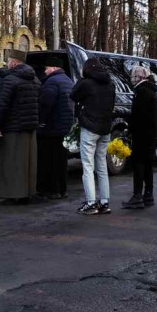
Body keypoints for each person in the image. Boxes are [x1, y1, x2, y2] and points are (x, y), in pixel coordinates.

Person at [0, 50, 40, 205]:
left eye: (8, 62)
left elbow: (3, 105)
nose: (7, 64)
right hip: (29, 127)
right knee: (26, 163)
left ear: (14, 63)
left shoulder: (11, 80)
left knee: (8, 162)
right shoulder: (35, 80)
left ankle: (7, 193)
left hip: (12, 127)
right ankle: (26, 192)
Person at [71, 57, 116, 215]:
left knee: (88, 166)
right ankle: (104, 201)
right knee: (102, 166)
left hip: (90, 127)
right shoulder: (110, 84)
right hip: (105, 128)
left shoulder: (86, 83)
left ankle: (91, 202)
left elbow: (73, 95)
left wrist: (81, 80)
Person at [36, 55, 75, 201]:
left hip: (51, 128)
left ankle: (52, 190)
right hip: (65, 127)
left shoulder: (51, 82)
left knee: (48, 161)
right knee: (61, 161)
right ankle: (62, 189)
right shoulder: (68, 81)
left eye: (46, 68)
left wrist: (41, 121)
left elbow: (46, 105)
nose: (45, 71)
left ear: (53, 68)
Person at [122, 65, 157, 210]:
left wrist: (131, 130)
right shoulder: (151, 90)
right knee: (148, 164)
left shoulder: (141, 92)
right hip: (150, 134)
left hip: (142, 135)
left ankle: (137, 196)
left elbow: (138, 115)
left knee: (138, 164)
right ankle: (148, 195)